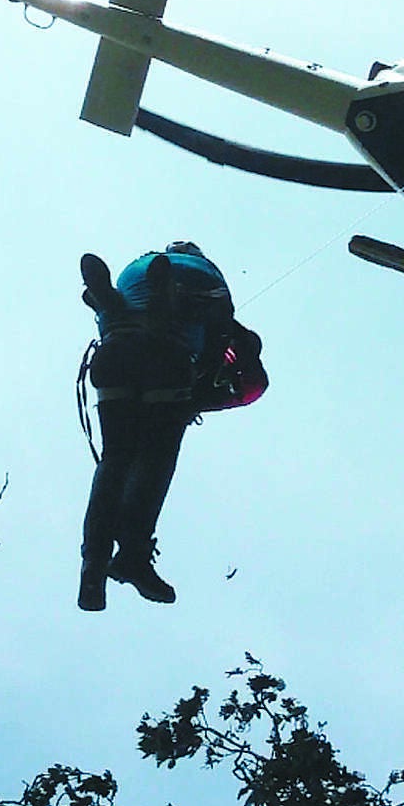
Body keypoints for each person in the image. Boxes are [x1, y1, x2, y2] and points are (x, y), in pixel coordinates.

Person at [77, 241, 267, 612]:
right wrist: (201, 395)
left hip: (115, 353)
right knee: (155, 462)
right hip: (168, 364)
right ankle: (132, 555)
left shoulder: (134, 269)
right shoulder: (206, 274)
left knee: (115, 459)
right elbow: (250, 368)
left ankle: (93, 566)